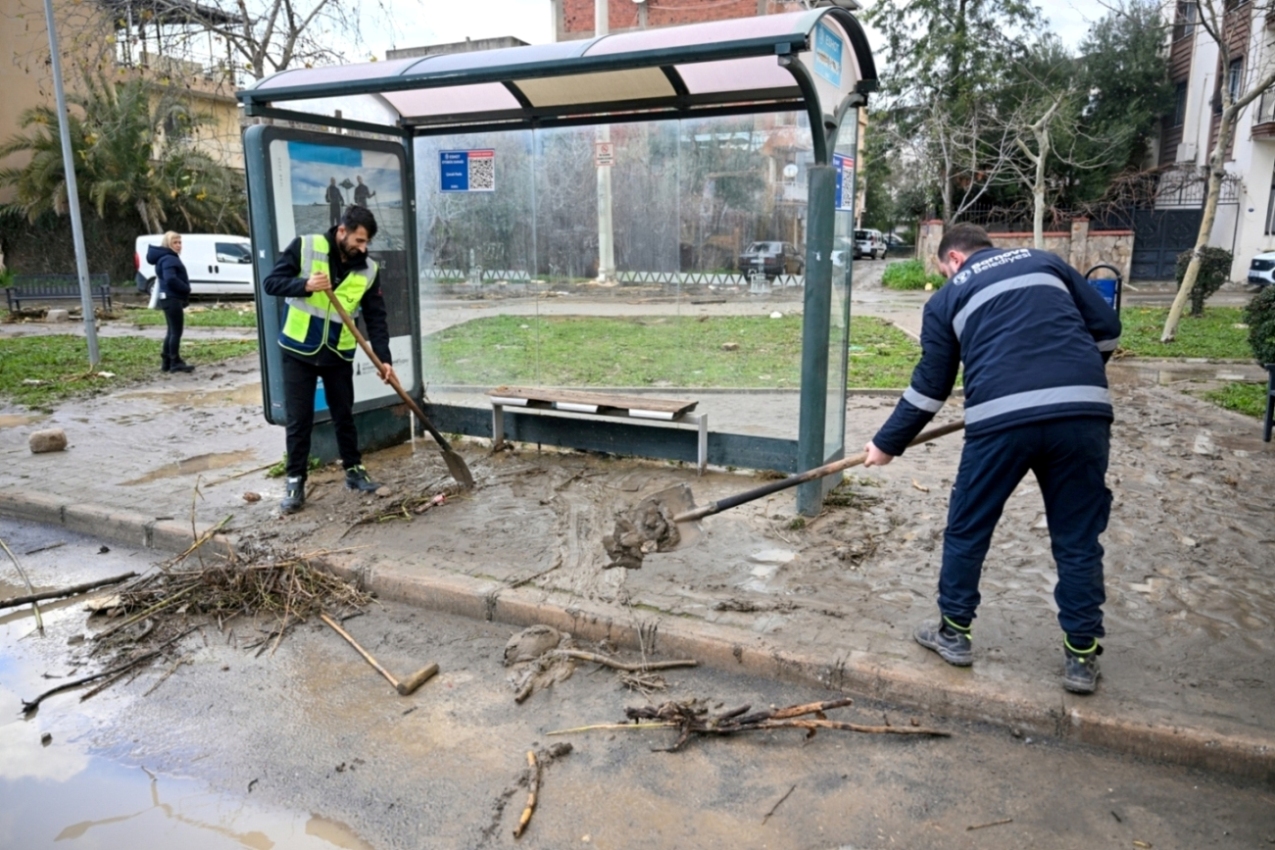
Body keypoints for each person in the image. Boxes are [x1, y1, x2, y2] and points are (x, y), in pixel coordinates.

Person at [863, 224, 1122, 694]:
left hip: (1001, 423)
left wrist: (885, 444)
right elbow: (1107, 328)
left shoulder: (945, 299)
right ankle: (1081, 657)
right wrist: (1067, 384)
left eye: (944, 269)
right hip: (1083, 416)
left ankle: (953, 634)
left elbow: (930, 388)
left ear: (954, 260)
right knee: (1078, 536)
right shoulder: (1046, 262)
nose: (945, 276)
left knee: (968, 527)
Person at [263, 205, 395, 514]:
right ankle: (295, 480)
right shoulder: (306, 246)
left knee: (344, 415)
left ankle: (354, 471)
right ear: (342, 232)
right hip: (299, 349)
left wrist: (384, 359)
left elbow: (377, 318)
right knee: (299, 420)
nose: (363, 248)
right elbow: (272, 283)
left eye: (366, 243)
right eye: (359, 241)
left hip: (338, 352)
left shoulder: (368, 271)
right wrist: (305, 285)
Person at [147, 232, 194, 373]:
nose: (179, 245)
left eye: (180, 242)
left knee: (171, 331)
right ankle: (175, 362)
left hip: (166, 298)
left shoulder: (164, 258)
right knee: (176, 332)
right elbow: (170, 279)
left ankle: (166, 362)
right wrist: (186, 289)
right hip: (172, 298)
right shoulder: (169, 259)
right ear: (168, 244)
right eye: (175, 242)